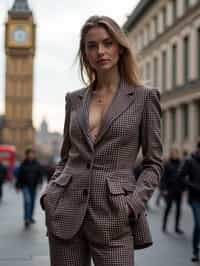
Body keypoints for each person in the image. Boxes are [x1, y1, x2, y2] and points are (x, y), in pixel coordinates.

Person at [40, 15, 163, 266]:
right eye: (92, 45)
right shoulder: (73, 99)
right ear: (85, 54)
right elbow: (66, 157)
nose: (101, 51)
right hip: (65, 212)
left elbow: (154, 164)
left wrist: (132, 204)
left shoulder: (144, 98)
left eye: (108, 43)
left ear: (120, 47)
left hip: (114, 216)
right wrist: (49, 195)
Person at [178, 141, 200, 262]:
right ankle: (195, 251)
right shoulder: (189, 160)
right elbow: (180, 176)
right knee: (198, 223)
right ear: (198, 148)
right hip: (195, 198)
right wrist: (193, 186)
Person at [15, 147, 43, 228]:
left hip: (34, 186)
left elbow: (40, 174)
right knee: (27, 201)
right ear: (27, 155)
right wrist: (17, 185)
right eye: (29, 154)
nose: (31, 155)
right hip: (25, 185)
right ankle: (26, 218)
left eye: (32, 154)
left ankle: (30, 217)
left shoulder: (37, 164)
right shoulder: (23, 164)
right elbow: (19, 175)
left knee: (32, 202)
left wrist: (40, 182)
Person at [161, 148, 184, 234]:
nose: (175, 154)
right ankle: (164, 225)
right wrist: (163, 189)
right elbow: (163, 178)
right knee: (168, 208)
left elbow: (183, 177)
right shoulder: (167, 164)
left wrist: (183, 188)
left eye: (176, 153)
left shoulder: (181, 163)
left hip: (178, 190)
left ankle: (177, 227)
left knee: (178, 210)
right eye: (173, 153)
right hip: (169, 190)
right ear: (171, 154)